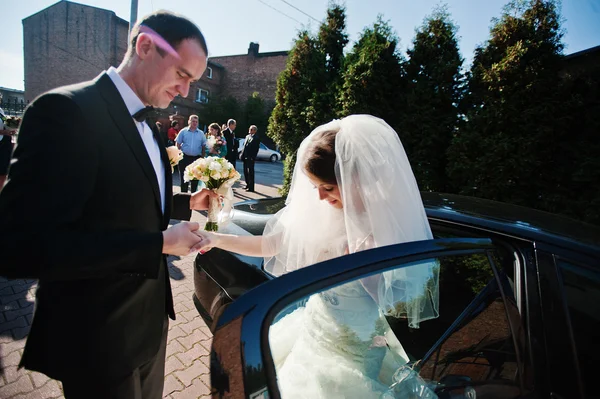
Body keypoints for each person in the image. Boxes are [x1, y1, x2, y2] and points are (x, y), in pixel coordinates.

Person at [0, 11, 217, 399]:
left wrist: (186, 202)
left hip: (152, 329)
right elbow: (22, 247)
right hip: (97, 343)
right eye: (183, 74)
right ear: (145, 46)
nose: (185, 92)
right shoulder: (64, 112)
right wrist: (160, 244)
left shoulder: (150, 126)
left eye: (193, 82)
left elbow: (122, 199)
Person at [195, 115, 440, 398]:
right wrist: (216, 238)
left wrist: (367, 269)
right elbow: (272, 244)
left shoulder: (382, 231)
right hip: (312, 331)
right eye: (316, 188)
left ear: (354, 179)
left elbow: (395, 301)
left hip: (354, 353)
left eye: (328, 188)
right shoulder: (322, 214)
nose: (321, 198)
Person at [176, 114, 206, 193]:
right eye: (193, 121)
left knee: (194, 181)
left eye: (196, 122)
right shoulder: (183, 131)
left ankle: (193, 200)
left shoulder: (201, 133)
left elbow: (204, 146)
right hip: (184, 158)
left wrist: (202, 158)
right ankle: (183, 199)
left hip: (196, 160)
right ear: (189, 121)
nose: (195, 123)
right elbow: (178, 144)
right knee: (184, 180)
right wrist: (178, 155)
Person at [0, 101, 16, 190]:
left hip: (4, 143)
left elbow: (5, 123)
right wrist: (3, 132)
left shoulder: (0, 110)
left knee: (3, 172)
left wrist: (11, 128)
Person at [240, 124, 260, 192]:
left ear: (254, 131)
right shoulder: (247, 136)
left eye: (251, 129)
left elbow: (256, 149)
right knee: (245, 172)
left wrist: (252, 157)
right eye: (250, 129)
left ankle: (251, 187)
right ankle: (247, 184)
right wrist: (242, 155)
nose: (250, 130)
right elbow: (244, 147)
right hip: (245, 157)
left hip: (250, 158)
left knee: (250, 172)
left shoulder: (256, 138)